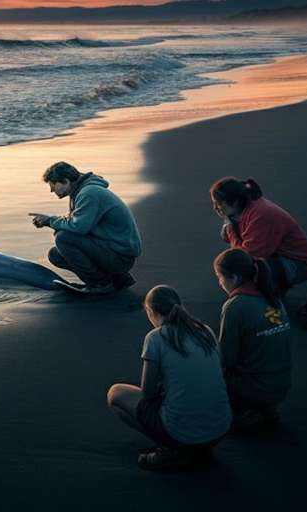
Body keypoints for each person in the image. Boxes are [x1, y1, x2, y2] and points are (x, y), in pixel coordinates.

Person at [107, 285, 231, 471]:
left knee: (115, 393)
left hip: (185, 435)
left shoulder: (155, 338)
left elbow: (148, 394)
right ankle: (197, 448)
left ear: (152, 313)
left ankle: (172, 448)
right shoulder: (205, 330)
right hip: (220, 429)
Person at [29, 161, 140, 294]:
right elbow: (75, 223)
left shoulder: (89, 193)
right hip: (112, 251)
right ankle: (118, 279)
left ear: (65, 181)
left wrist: (50, 220)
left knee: (63, 238)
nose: (51, 190)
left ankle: (101, 284)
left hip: (120, 257)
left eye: (53, 185)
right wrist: (49, 221)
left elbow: (79, 227)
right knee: (55, 254)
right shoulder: (82, 192)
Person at [213, 248, 292, 433]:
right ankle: (264, 409)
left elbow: (226, 359)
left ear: (234, 278)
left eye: (220, 277)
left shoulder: (235, 306)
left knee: (207, 367)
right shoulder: (273, 297)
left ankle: (245, 412)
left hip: (254, 388)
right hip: (281, 384)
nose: (219, 283)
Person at [210, 177, 307, 296]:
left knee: (250, 275)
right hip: (273, 257)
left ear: (235, 201)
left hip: (296, 262)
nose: (215, 208)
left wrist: (230, 228)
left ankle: (267, 307)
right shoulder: (241, 211)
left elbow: (246, 256)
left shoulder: (260, 215)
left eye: (218, 203)